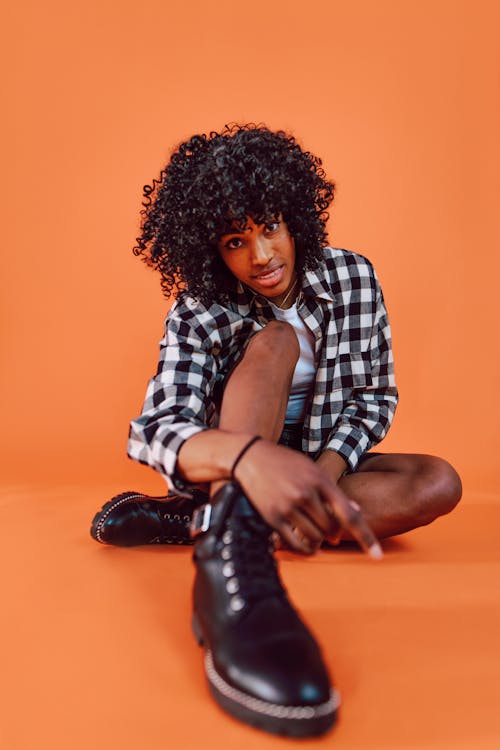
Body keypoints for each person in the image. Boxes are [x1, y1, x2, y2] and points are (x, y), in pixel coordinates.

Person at [90, 124, 462, 737]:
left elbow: (373, 398)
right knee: (276, 339)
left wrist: (322, 476)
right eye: (236, 241)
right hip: (236, 461)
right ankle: (235, 552)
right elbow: (153, 429)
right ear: (213, 249)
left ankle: (198, 519)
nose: (260, 256)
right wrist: (246, 460)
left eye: (268, 228)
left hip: (313, 460)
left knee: (436, 482)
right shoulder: (201, 308)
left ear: (295, 219)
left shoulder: (353, 279)